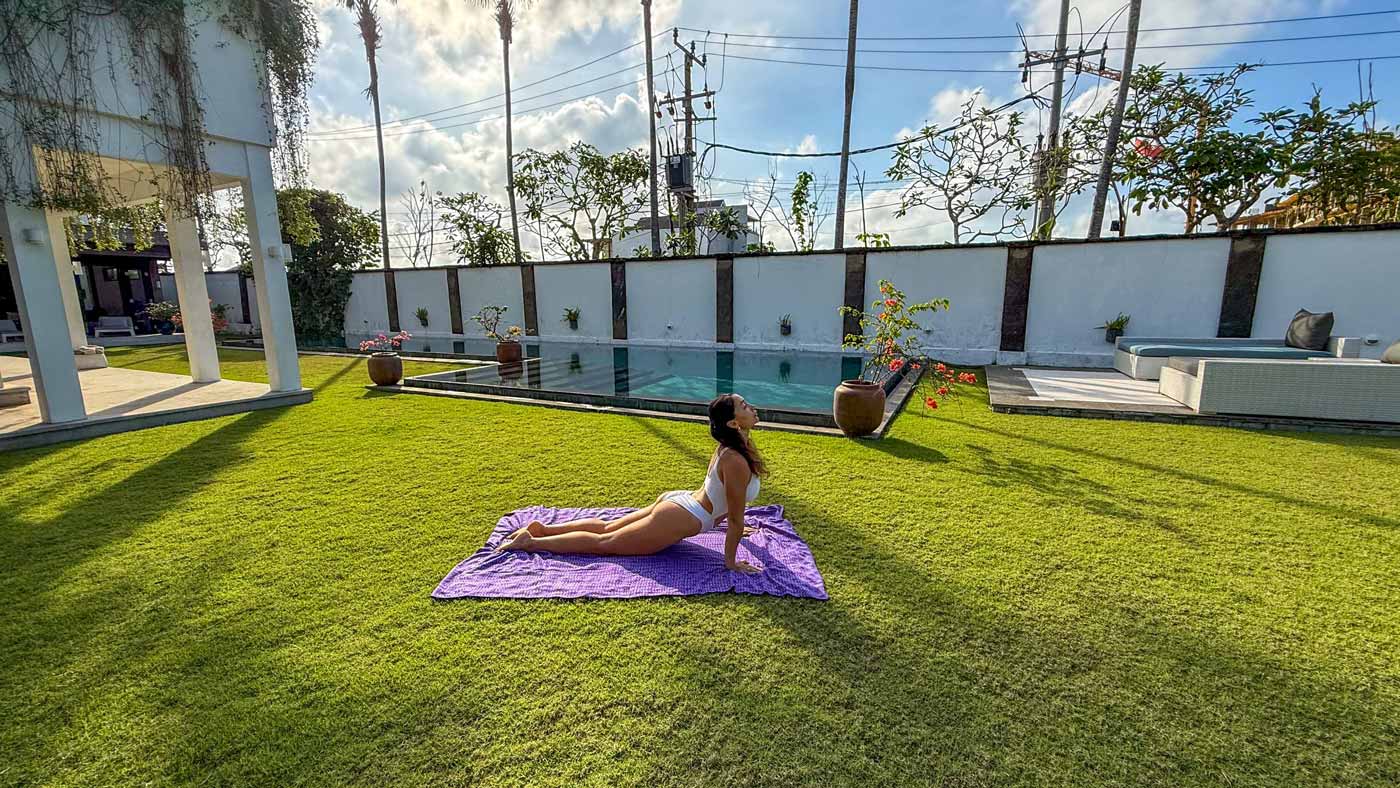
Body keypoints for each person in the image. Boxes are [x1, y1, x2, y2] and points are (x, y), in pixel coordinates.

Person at [497, 393, 766, 573]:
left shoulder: (736, 444)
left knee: (607, 528)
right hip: (682, 515)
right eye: (744, 406)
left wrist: (736, 526)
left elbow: (725, 502)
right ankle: (532, 542)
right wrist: (731, 563)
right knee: (605, 543)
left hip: (681, 504)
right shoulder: (735, 459)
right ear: (733, 423)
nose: (752, 407)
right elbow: (734, 517)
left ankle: (543, 529)